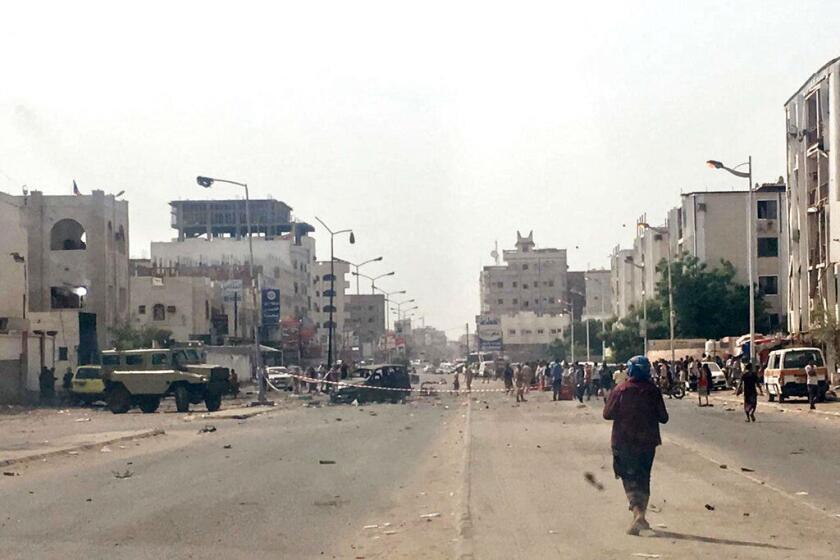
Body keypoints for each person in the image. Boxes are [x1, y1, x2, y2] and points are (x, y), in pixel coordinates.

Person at [603, 355, 669, 536]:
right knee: (644, 477)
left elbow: (607, 414)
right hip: (648, 443)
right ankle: (641, 515)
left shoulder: (620, 389)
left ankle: (638, 514)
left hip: (623, 442)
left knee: (629, 478)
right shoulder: (653, 391)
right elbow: (664, 417)